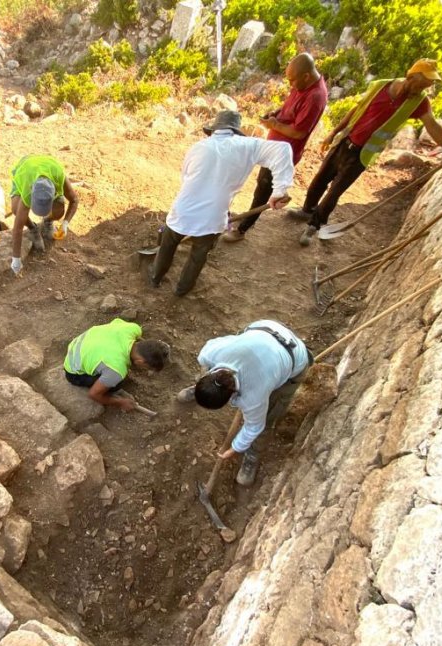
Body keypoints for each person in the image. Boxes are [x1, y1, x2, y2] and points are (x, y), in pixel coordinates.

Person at [288, 58, 442, 246]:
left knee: (334, 192)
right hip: (345, 143)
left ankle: (315, 225)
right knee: (319, 181)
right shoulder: (380, 86)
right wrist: (334, 133)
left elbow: (432, 126)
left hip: (362, 154)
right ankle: (307, 210)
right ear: (411, 76)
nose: (422, 90)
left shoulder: (420, 103)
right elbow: (356, 109)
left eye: (426, 86)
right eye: (421, 84)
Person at [149, 110, 294, 296]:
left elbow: (185, 178)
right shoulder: (247, 146)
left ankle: (155, 278)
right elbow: (283, 149)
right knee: (198, 254)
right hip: (213, 216)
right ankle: (182, 289)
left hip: (183, 210)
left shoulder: (198, 147)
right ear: (235, 130)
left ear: (214, 129)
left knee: (167, 246)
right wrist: (280, 190)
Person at [177, 320, 312, 487]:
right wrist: (207, 385)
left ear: (232, 397)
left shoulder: (253, 396)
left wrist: (236, 447)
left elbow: (254, 426)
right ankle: (206, 389)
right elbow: (211, 346)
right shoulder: (209, 354)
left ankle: (252, 456)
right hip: (262, 329)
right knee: (207, 369)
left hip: (293, 359)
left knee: (268, 417)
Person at [224, 53, 328, 242]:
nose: (291, 85)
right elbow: (290, 108)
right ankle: (239, 220)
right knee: (258, 184)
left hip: (282, 154)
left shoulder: (315, 97)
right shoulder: (301, 84)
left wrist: (274, 125)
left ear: (306, 76)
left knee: (263, 191)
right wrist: (276, 114)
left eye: (293, 80)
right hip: (272, 146)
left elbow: (299, 132)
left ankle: (242, 229)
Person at [63, 319, 170, 410]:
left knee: (113, 375)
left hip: (80, 344)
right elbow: (93, 394)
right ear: (140, 362)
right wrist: (120, 403)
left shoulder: (133, 329)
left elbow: (115, 323)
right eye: (147, 368)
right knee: (116, 384)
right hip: (73, 370)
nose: (146, 370)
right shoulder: (116, 370)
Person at [9, 154, 79, 275]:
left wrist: (65, 224)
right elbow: (18, 228)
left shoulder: (59, 177)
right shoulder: (27, 188)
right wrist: (16, 259)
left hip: (48, 165)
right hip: (25, 169)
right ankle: (33, 228)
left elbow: (74, 200)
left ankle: (48, 221)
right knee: (16, 209)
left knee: (59, 209)